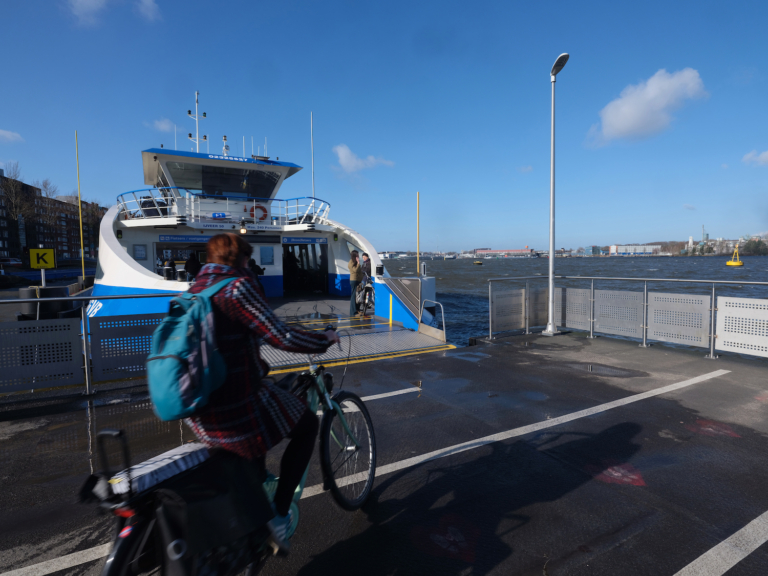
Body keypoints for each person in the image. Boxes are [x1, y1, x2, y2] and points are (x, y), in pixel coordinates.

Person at [183, 233, 339, 552]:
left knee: (264, 418)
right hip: (236, 409)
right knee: (307, 424)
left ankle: (254, 499)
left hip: (198, 410)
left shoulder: (195, 289)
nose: (248, 266)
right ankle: (278, 516)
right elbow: (279, 335)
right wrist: (323, 339)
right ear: (239, 260)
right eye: (246, 260)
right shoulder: (238, 287)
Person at [348, 249, 363, 317]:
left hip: (358, 280)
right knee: (354, 296)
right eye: (357, 255)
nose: (358, 256)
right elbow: (355, 270)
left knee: (358, 296)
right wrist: (359, 263)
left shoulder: (355, 262)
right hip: (354, 280)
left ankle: (357, 310)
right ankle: (353, 312)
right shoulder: (351, 262)